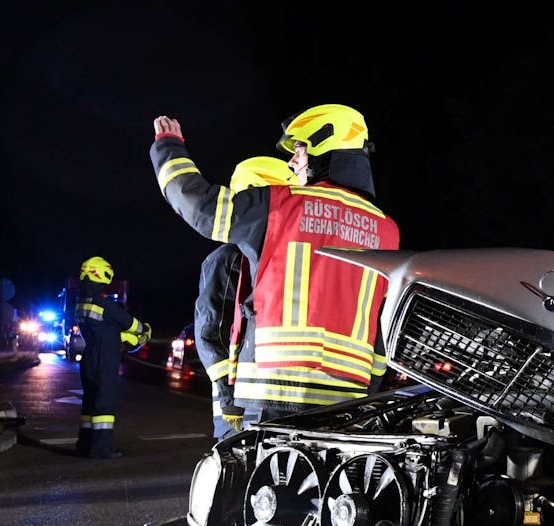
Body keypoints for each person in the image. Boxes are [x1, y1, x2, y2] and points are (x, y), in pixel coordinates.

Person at [150, 103, 401, 427]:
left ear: (324, 146)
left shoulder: (282, 204)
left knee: (264, 478)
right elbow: (381, 325)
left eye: (299, 150)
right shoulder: (386, 230)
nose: (293, 161)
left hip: (274, 393)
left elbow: (200, 207)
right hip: (346, 402)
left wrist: (168, 149)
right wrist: (371, 392)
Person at [193, 155, 296, 439]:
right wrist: (228, 399)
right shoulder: (227, 258)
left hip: (269, 400)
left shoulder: (281, 258)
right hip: (238, 404)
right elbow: (210, 330)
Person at [74, 256, 150, 459]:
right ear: (101, 274)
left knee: (89, 404)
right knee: (103, 405)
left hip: (89, 357)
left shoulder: (81, 303)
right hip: (105, 360)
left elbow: (104, 328)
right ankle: (102, 449)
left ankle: (85, 444)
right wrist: (145, 331)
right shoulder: (104, 304)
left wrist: (119, 336)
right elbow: (131, 324)